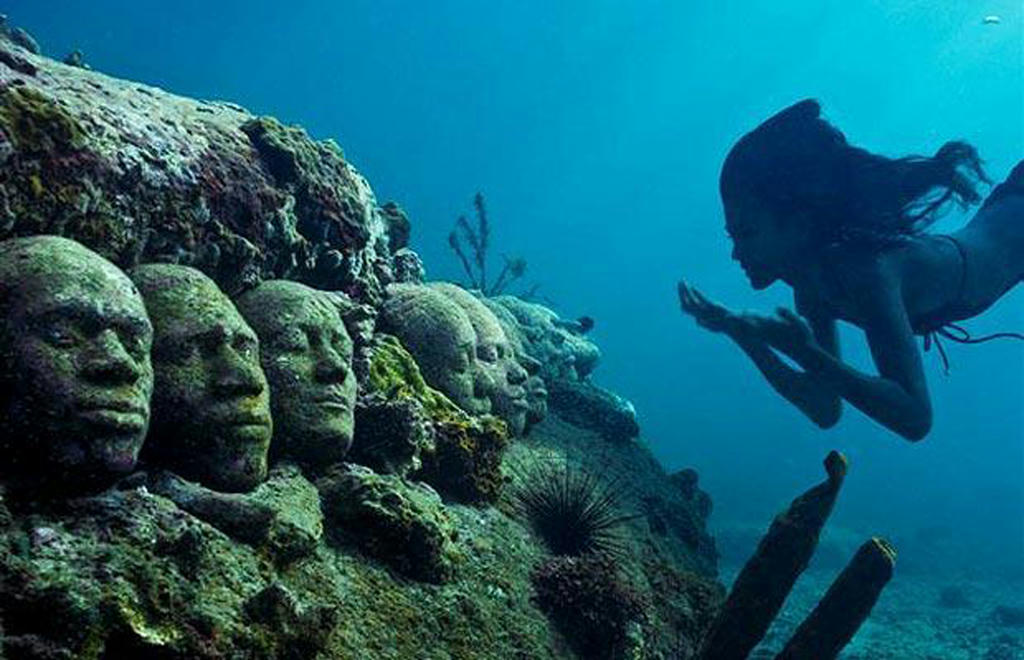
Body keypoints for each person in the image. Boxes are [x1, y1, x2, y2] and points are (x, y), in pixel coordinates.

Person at [679, 99, 1023, 441]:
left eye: (747, 233)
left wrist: (805, 352)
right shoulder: (811, 283)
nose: (736, 253)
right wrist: (745, 335)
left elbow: (915, 418)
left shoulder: (868, 271)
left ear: (798, 224)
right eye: (732, 234)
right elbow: (823, 407)